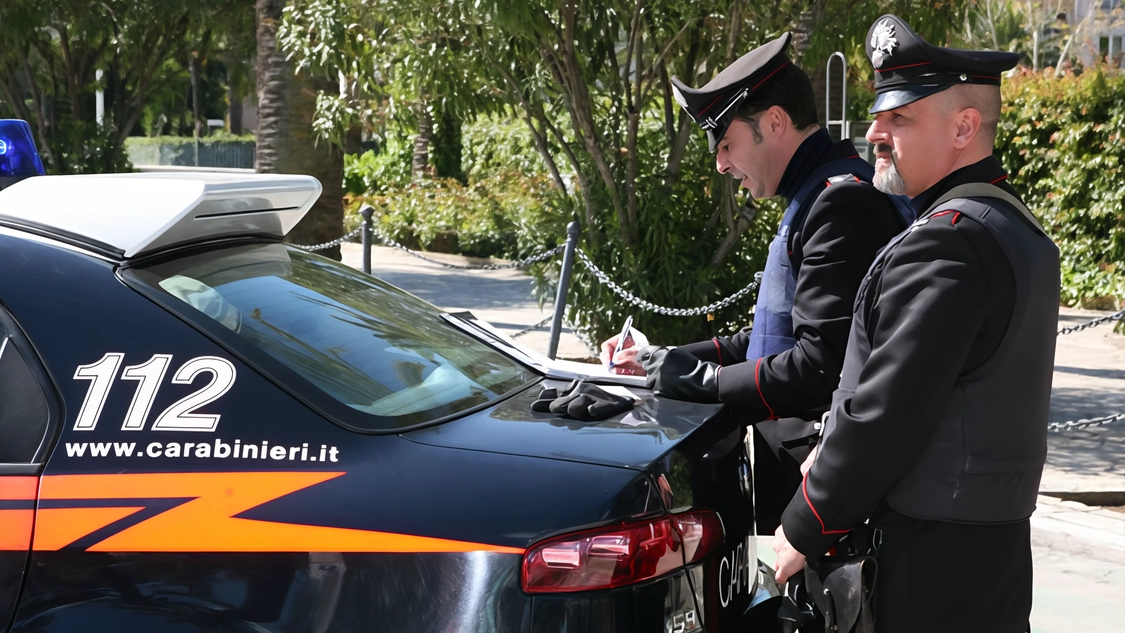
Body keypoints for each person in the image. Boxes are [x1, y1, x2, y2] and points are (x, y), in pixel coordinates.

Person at [773, 15, 1059, 633]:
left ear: (964, 126)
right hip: (980, 555)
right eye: (880, 114)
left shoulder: (951, 243)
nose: (876, 131)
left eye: (899, 117)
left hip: (929, 563)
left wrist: (807, 522)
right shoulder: (1005, 223)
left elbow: (887, 412)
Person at [601, 33, 909, 533]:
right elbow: (770, 339)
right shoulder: (819, 193)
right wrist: (661, 359)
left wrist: (699, 381)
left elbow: (818, 365)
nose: (721, 163)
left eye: (727, 143)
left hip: (823, 494)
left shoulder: (839, 203)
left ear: (774, 122)